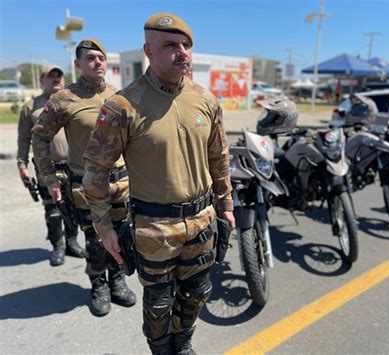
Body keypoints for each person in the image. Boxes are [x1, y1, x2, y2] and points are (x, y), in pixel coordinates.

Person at [82, 13, 235, 354]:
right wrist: (104, 227)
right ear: (148, 51)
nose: (182, 52)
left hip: (202, 221)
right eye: (170, 45)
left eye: (186, 45)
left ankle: (182, 344)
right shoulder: (123, 105)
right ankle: (160, 348)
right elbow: (95, 169)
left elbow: (219, 158)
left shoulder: (205, 100)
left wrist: (226, 206)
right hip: (154, 227)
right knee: (159, 302)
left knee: (197, 292)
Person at [31, 39, 136, 316]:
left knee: (122, 234)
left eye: (101, 57)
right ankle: (98, 284)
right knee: (96, 239)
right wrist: (50, 178)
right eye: (90, 58)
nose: (97, 62)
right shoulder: (64, 98)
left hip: (122, 183)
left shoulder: (119, 95)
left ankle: (117, 280)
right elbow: (39, 137)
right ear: (78, 64)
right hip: (87, 184)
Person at [17, 65, 84, 266]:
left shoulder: (73, 102)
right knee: (53, 211)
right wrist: (22, 165)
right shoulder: (31, 107)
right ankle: (58, 246)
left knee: (74, 209)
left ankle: (72, 242)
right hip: (46, 168)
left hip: (73, 166)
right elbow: (24, 139)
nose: (56, 79)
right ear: (42, 80)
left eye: (59, 75)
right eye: (50, 76)